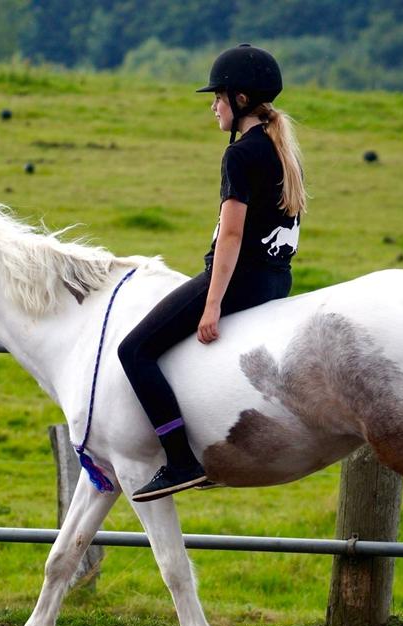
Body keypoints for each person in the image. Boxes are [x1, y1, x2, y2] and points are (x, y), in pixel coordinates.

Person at [118, 43, 307, 502]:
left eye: (218, 96)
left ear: (239, 100)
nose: (213, 105)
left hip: (240, 281)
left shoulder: (240, 155)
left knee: (134, 351)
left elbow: (232, 236)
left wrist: (213, 302)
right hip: (277, 279)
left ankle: (179, 459)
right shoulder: (282, 148)